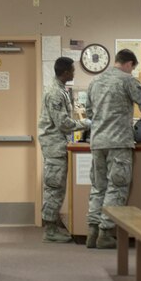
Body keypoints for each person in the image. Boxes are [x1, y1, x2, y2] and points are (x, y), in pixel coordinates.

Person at [85, 48, 141, 249]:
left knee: (98, 187)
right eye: (132, 68)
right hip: (118, 142)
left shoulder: (95, 82)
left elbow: (89, 112)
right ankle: (105, 233)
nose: (132, 71)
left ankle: (92, 230)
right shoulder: (127, 80)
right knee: (117, 187)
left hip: (97, 142)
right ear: (129, 64)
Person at [38, 56, 91, 243]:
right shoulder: (54, 93)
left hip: (57, 144)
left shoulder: (60, 90)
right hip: (54, 146)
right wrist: (85, 123)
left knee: (57, 186)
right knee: (54, 187)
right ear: (66, 71)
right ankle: (50, 230)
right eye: (73, 70)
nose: (74, 73)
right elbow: (62, 123)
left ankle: (53, 222)